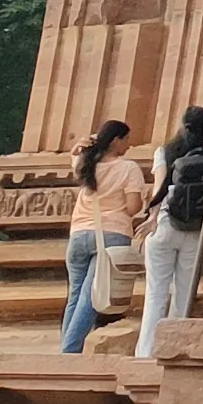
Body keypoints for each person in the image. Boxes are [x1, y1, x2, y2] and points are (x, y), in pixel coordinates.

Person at [135, 105, 203, 358]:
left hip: (165, 223)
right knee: (183, 294)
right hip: (196, 229)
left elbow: (160, 187)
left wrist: (151, 218)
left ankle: (146, 354)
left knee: (156, 294)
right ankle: (175, 351)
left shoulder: (166, 151)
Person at [56, 120, 144, 354]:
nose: (129, 144)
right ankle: (69, 352)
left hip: (78, 234)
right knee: (93, 297)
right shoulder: (128, 168)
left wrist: (87, 141)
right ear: (116, 141)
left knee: (75, 295)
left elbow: (75, 153)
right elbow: (133, 208)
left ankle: (66, 350)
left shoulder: (85, 163)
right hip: (111, 235)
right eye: (126, 139)